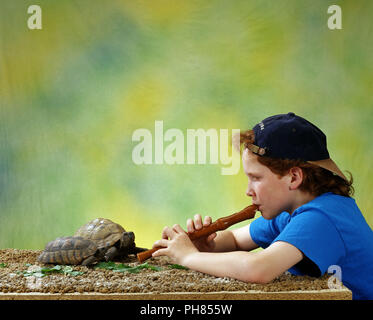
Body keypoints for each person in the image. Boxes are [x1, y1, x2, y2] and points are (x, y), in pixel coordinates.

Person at [152, 112, 373, 300]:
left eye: (256, 178)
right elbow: (237, 240)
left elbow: (259, 269)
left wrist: (190, 257)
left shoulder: (322, 218)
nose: (248, 190)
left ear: (294, 177)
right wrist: (206, 245)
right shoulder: (291, 214)